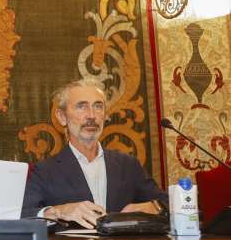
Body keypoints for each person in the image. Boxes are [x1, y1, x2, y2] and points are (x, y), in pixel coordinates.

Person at [21, 78, 167, 228]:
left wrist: (154, 206)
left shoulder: (128, 165)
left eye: (98, 106)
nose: (91, 115)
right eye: (81, 106)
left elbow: (169, 203)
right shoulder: (44, 171)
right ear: (62, 117)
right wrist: (59, 211)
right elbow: (23, 215)